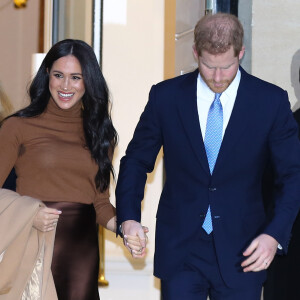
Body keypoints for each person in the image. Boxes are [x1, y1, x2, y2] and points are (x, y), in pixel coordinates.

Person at [116, 13, 300, 300]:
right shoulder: (166, 97)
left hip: (245, 249)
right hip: (181, 249)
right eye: (207, 65)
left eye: (226, 66)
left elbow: (292, 175)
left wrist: (274, 234)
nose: (217, 77)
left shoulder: (270, 102)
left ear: (241, 53)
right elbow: (136, 160)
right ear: (195, 53)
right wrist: (128, 217)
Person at [0, 39, 142, 300]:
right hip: (34, 246)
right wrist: (28, 214)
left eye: (75, 77)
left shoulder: (101, 135)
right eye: (58, 75)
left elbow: (99, 204)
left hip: (82, 255)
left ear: (88, 81)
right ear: (47, 76)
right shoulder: (16, 127)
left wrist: (126, 228)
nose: (66, 86)